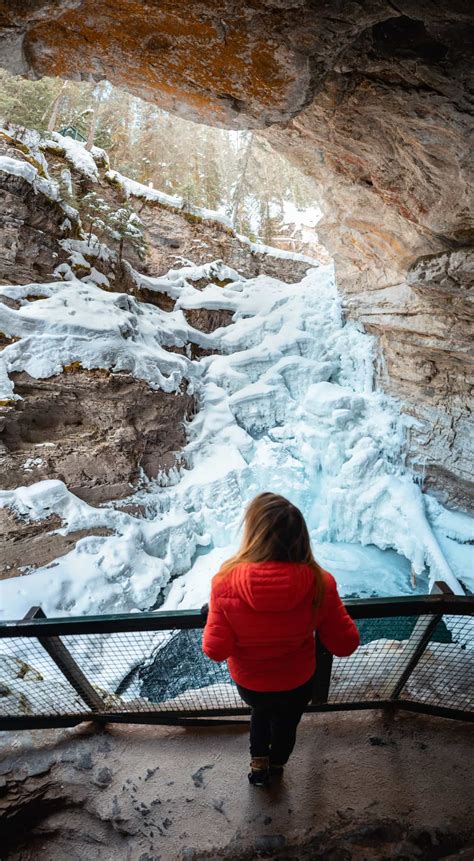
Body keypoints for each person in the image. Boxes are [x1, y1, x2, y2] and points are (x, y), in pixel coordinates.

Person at [202, 492, 360, 786]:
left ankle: (258, 766)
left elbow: (215, 650)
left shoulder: (224, 583)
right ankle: (277, 765)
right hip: (297, 682)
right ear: (301, 537)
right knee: (287, 725)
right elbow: (346, 644)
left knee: (260, 714)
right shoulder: (320, 583)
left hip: (252, 683)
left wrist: (219, 614)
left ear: (252, 535)